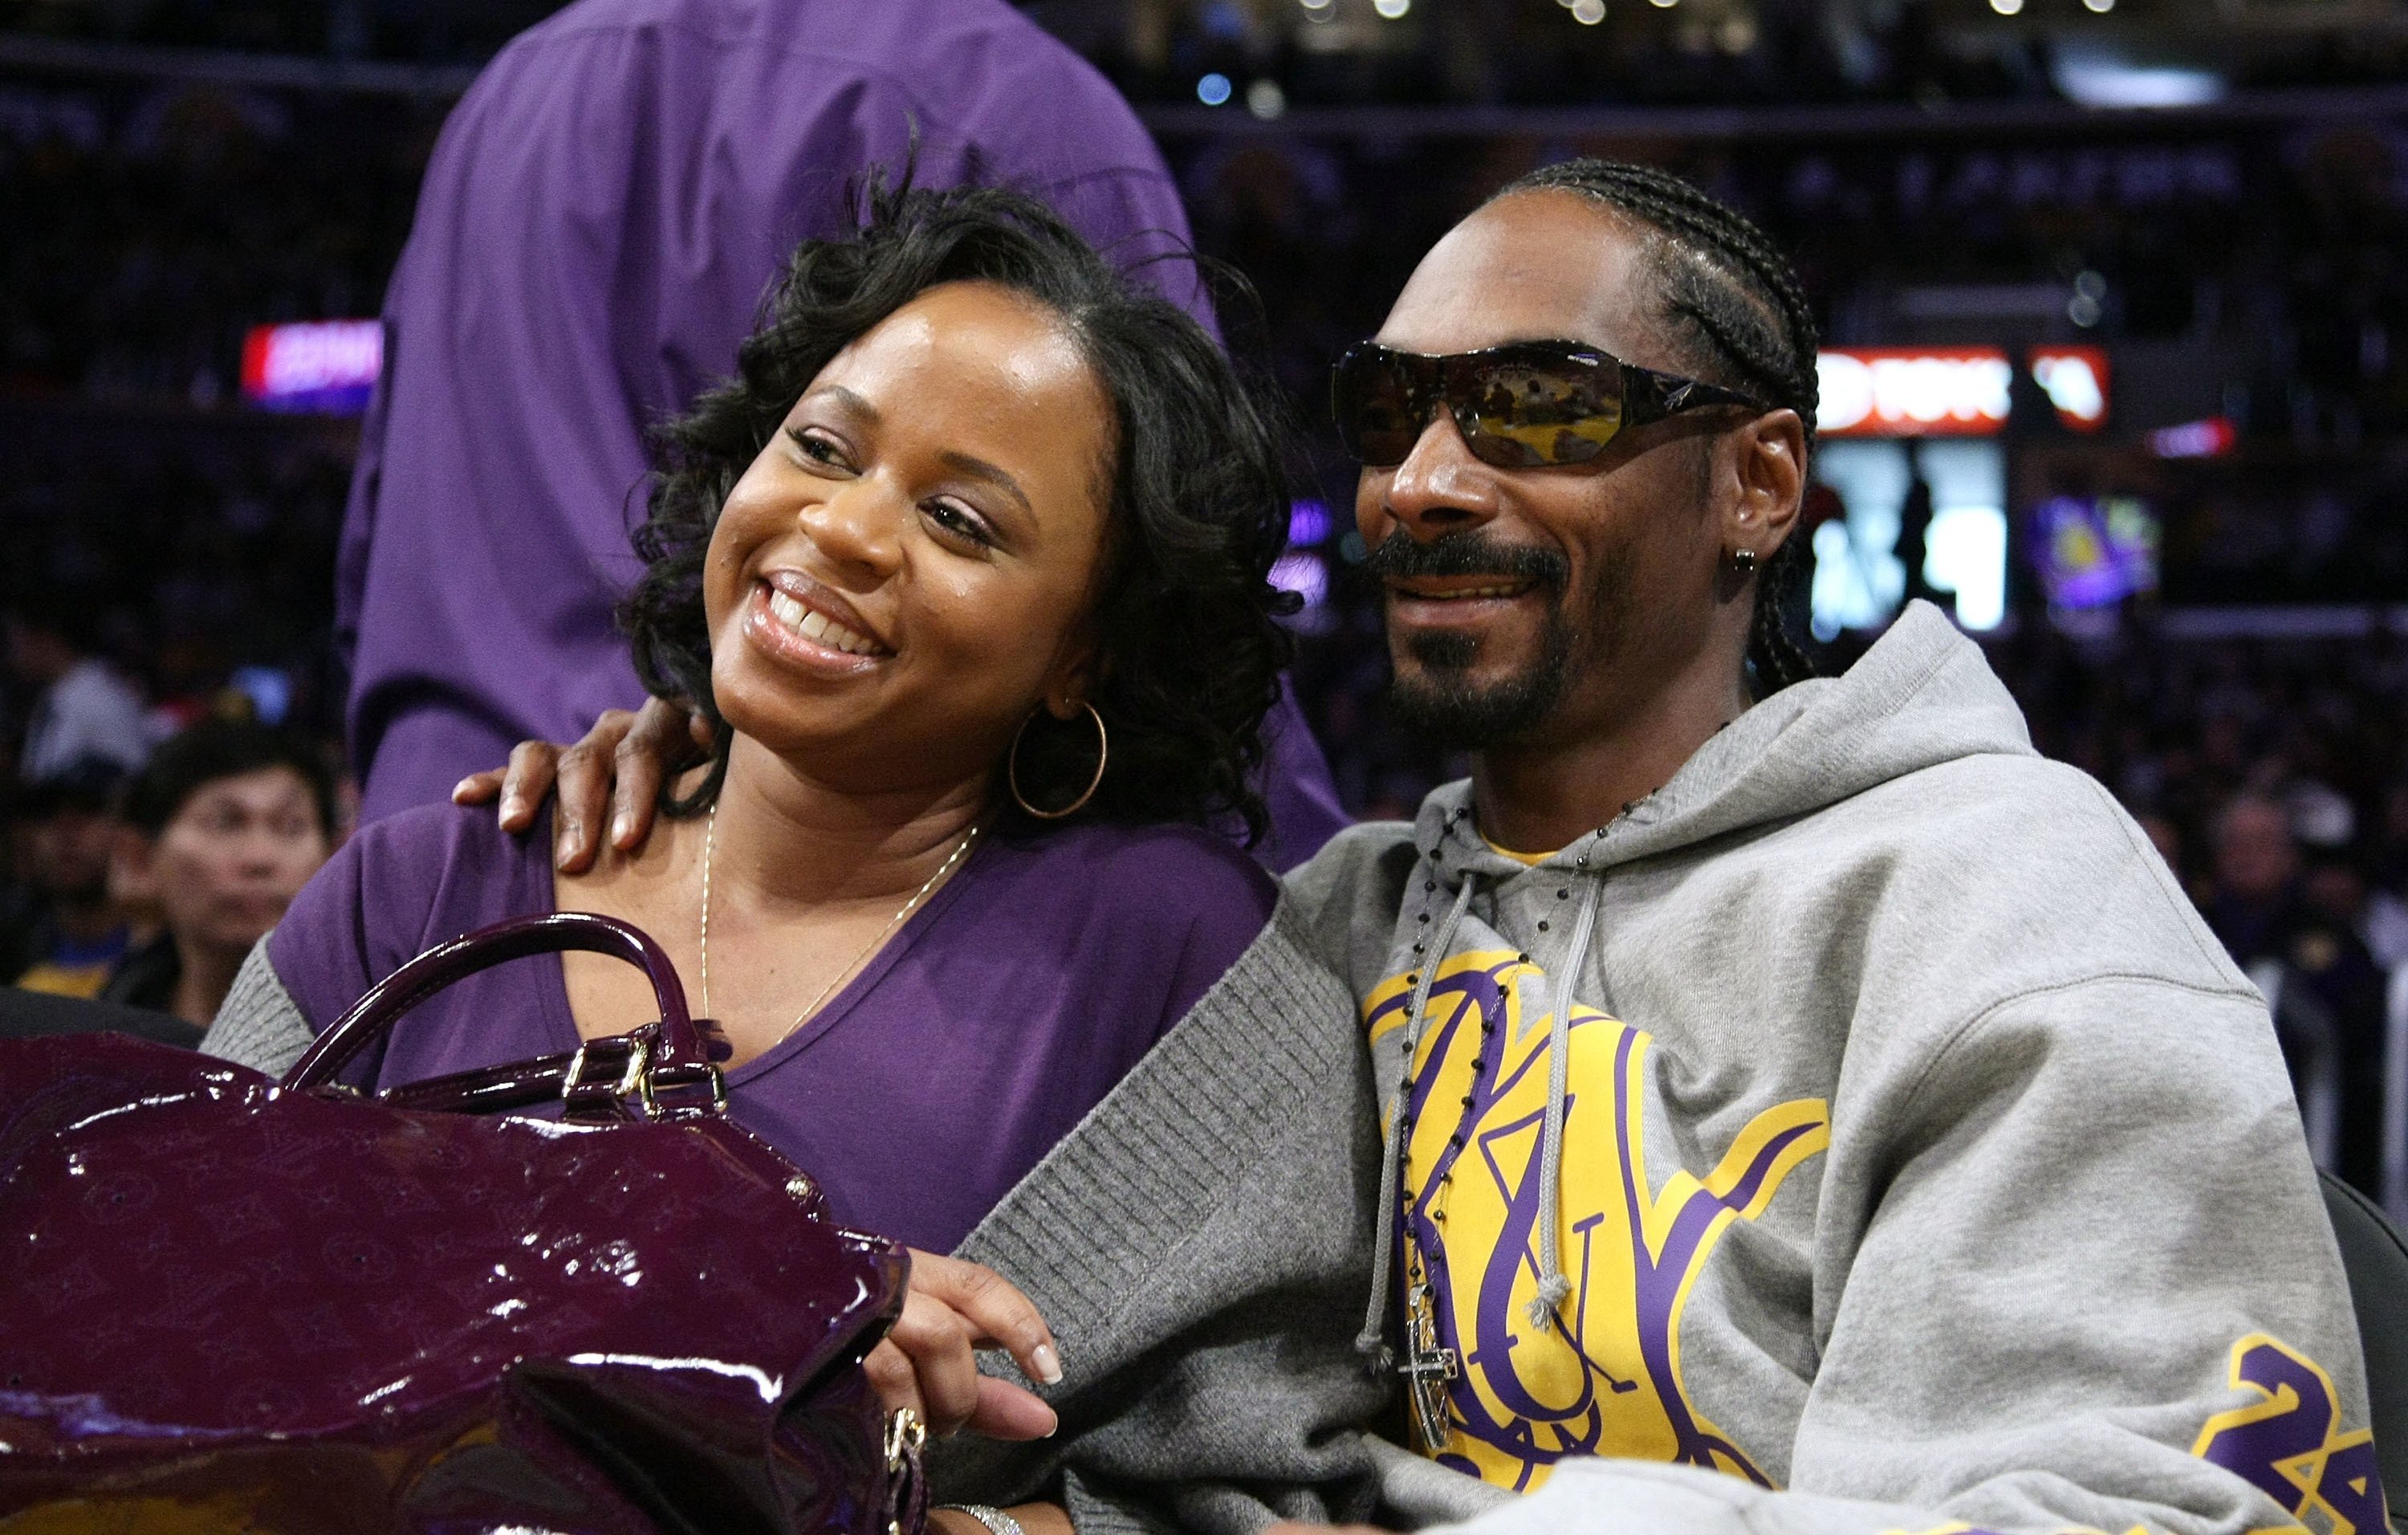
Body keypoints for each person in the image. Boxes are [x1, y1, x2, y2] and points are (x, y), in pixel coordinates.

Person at [515, 161, 2381, 1535]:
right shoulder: (1321, 930)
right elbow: (1060, 1417)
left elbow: (2172, 1509)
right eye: (1389, 413)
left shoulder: (1998, 893)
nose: (1423, 479)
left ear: (1755, 484)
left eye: (1538, 409)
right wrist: (720, 754)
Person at [207, 183, 1373, 1535]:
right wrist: (694, 1303)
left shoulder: (1175, 959)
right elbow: (143, 1307)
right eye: (824, 446)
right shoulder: (420, 894)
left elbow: (1268, 1495)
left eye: (963, 523)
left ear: (1084, 656)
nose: (844, 528)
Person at [343, 0, 1347, 867]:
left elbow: (376, 538)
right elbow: (1176, 603)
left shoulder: (516, 83)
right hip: (786, 936)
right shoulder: (1014, 101)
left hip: (433, 857)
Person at [100, 720, 337, 1033]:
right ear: (141, 859)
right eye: (225, 823)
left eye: (292, 826)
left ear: (336, 856)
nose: (260, 858)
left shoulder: (381, 1041)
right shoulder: (106, 1030)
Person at [6, 759, 132, 997]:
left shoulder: (175, 951)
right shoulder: (12, 949)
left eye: (89, 809)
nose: (65, 830)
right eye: (48, 814)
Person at [6, 592, 151, 782]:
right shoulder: (57, 695)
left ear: (43, 638)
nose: (10, 654)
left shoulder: (99, 697)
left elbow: (136, 777)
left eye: (15, 639)